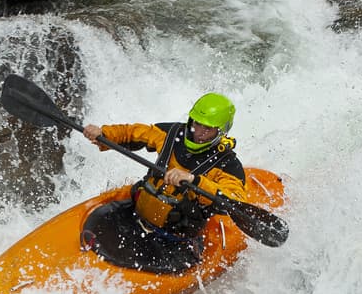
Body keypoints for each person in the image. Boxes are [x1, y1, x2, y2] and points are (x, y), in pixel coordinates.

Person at [81, 92, 247, 273]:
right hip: (135, 218)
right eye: (197, 123)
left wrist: (194, 180)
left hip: (174, 242)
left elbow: (234, 200)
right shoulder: (172, 134)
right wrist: (104, 134)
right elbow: (133, 133)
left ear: (221, 131)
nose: (199, 132)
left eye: (208, 129)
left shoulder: (227, 164)